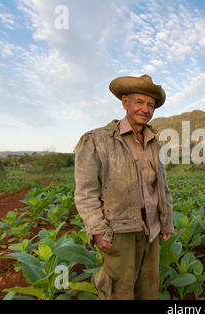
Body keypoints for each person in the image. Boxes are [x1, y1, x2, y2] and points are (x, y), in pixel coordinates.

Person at [74, 74, 175, 300]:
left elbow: (162, 186)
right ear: (125, 102)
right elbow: (86, 192)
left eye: (150, 105)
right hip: (119, 230)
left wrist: (166, 222)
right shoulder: (97, 140)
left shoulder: (153, 142)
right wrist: (97, 229)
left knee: (148, 289)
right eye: (139, 102)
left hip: (151, 228)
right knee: (118, 292)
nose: (146, 109)